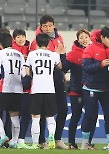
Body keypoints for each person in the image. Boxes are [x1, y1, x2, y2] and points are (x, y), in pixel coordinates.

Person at [30, 14, 68, 149]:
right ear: (41, 27)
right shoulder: (36, 42)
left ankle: (57, 139)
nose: (47, 28)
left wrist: (62, 72)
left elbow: (62, 61)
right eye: (44, 26)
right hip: (42, 82)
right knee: (41, 113)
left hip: (57, 80)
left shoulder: (60, 39)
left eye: (50, 25)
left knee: (63, 109)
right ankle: (41, 140)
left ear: (54, 25)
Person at [81, 26, 109, 150]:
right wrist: (100, 64)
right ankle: (85, 143)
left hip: (107, 89)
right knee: (90, 115)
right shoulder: (90, 49)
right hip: (91, 88)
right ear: (102, 37)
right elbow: (86, 68)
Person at [61, 29, 98, 149]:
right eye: (81, 37)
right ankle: (72, 143)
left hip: (92, 90)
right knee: (76, 116)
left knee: (92, 116)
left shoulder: (95, 52)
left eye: (86, 37)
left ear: (90, 38)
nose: (84, 40)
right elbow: (64, 69)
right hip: (76, 90)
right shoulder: (72, 54)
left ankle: (88, 143)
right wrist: (62, 55)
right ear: (77, 40)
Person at [25, 33, 62, 149]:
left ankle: (35, 143)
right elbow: (60, 67)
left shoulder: (31, 54)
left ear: (37, 42)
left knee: (35, 117)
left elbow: (27, 72)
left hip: (36, 89)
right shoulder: (53, 55)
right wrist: (59, 54)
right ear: (48, 43)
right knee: (50, 117)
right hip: (50, 89)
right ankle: (51, 135)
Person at [0, 32, 25, 148]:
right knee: (14, 115)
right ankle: (14, 141)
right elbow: (24, 73)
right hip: (18, 88)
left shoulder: (1, 53)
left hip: (5, 87)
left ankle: (2, 135)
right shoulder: (19, 54)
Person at [11, 29, 31, 149]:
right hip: (13, 88)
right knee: (13, 115)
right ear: (14, 39)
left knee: (26, 115)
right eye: (18, 37)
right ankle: (13, 140)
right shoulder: (11, 51)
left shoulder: (30, 50)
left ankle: (21, 140)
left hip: (27, 89)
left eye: (22, 36)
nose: (21, 39)